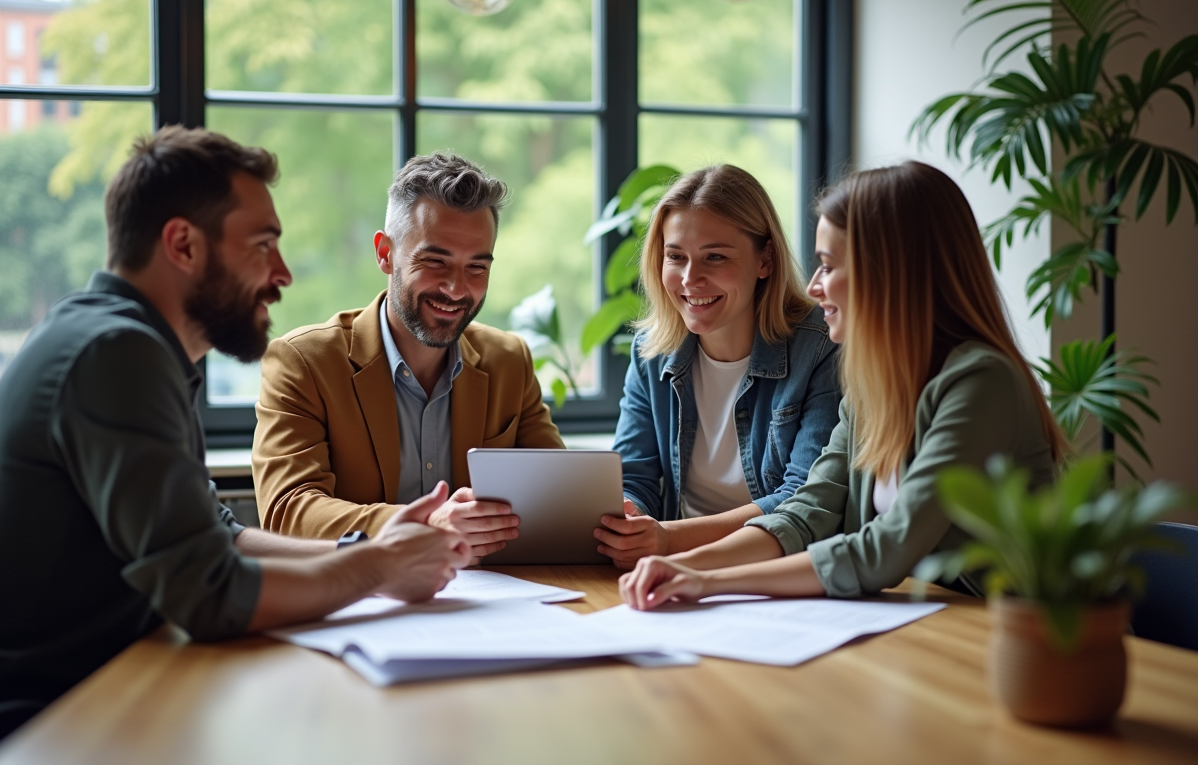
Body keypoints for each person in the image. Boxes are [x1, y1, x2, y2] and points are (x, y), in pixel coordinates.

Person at [0, 127, 471, 742]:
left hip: (117, 689)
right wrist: (377, 568)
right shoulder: (117, 354)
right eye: (263, 245)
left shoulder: (130, 343)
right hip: (53, 719)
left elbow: (211, 536)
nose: (283, 274)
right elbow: (208, 591)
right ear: (183, 245)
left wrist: (364, 552)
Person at [619, 161, 1064, 608]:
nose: (814, 288)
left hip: (1016, 634)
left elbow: (889, 546)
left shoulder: (981, 383)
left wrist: (706, 581)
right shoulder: (874, 386)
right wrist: (687, 567)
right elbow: (806, 511)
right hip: (925, 621)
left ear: (891, 272)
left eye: (829, 266)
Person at [252, 153, 564, 563]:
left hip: (488, 600)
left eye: (477, 267)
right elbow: (287, 511)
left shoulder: (509, 360)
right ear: (385, 253)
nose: (456, 289)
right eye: (435, 261)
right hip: (360, 597)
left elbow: (560, 499)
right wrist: (425, 526)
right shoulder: (303, 363)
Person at [595, 165, 841, 569]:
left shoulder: (819, 347)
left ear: (765, 259)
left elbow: (803, 498)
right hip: (670, 569)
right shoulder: (651, 352)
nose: (692, 279)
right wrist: (629, 517)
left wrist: (667, 539)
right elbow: (633, 477)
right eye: (676, 257)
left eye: (715, 257)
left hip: (773, 570)